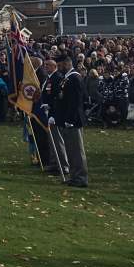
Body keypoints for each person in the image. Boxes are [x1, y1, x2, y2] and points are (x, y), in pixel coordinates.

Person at [58, 53, 89, 187]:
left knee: (77, 150)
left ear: (67, 63)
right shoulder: (68, 78)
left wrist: (70, 118)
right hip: (69, 118)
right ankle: (74, 175)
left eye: (60, 65)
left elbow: (76, 101)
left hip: (74, 119)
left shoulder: (74, 78)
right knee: (71, 150)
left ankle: (80, 178)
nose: (59, 68)